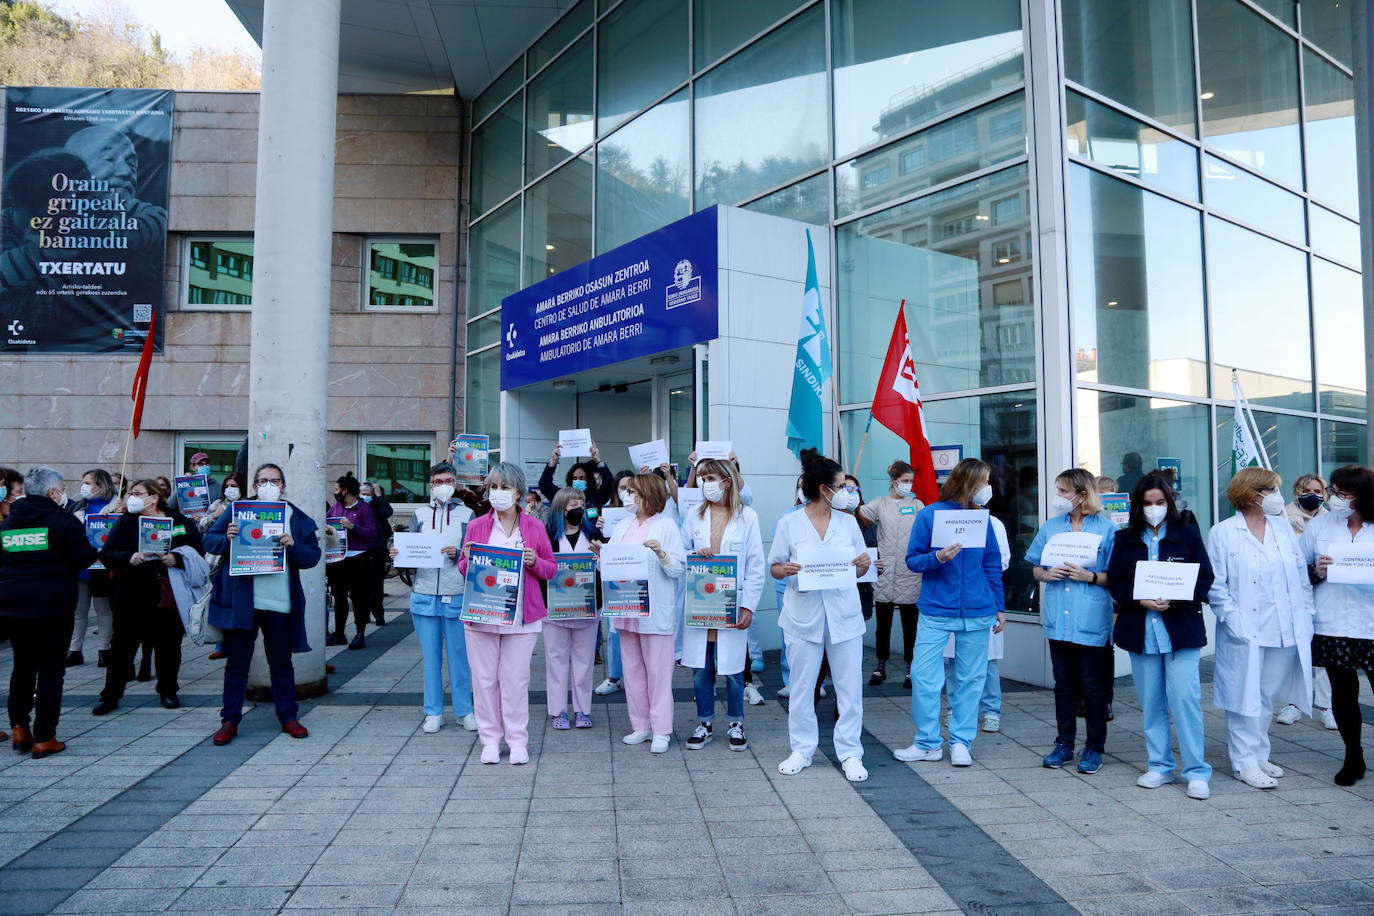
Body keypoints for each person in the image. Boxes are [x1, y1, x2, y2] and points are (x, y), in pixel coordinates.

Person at [1107, 472, 1215, 800]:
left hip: (1180, 629)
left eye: (1160, 502)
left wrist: (1178, 595)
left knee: (1185, 700)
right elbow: (1116, 581)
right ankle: (1160, 765)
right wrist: (1138, 598)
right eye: (1148, 503)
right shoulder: (1124, 538)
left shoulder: (1188, 533)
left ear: (1169, 502)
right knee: (1152, 703)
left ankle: (1196, 771)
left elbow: (1205, 577)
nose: (1154, 508)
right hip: (1142, 631)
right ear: (1138, 506)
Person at [1207, 467, 1313, 789]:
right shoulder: (1223, 532)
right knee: (1244, 696)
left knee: (1266, 695)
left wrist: (1307, 613)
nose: (1277, 496)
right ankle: (1243, 762)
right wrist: (1234, 620)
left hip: (1284, 626)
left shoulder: (1282, 527)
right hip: (1244, 628)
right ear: (1252, 494)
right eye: (1271, 490)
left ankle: (1259, 753)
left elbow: (1300, 575)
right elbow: (1216, 585)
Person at [769, 449, 871, 782]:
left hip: (844, 616)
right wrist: (785, 569)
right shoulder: (790, 523)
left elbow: (860, 568)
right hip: (803, 616)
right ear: (824, 489)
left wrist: (864, 565)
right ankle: (802, 749)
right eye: (841, 487)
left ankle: (851, 753)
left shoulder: (848, 523)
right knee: (801, 687)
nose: (847, 493)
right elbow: (774, 567)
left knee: (849, 689)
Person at [897, 458, 1003, 768]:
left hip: (978, 611)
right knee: (923, 677)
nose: (987, 488)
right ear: (969, 482)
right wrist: (938, 557)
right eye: (984, 482)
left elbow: (992, 564)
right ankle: (927, 742)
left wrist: (998, 606)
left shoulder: (981, 518)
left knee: (971, 680)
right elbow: (913, 560)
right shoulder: (929, 515)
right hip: (936, 610)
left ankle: (961, 742)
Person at [203, 463, 317, 745]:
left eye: (274, 481)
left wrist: (293, 545)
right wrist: (227, 538)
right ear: (254, 486)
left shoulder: (294, 515)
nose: (269, 486)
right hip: (243, 603)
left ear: (283, 486)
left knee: (281, 663)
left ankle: (288, 717)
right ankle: (229, 720)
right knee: (237, 664)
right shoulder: (237, 510)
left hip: (279, 602)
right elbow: (209, 539)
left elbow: (312, 557)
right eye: (263, 481)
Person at [457, 462, 556, 764]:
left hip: (521, 618)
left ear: (519, 492)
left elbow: (550, 569)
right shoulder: (476, 526)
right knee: (484, 680)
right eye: (493, 487)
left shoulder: (534, 527)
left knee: (515, 682)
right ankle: (489, 739)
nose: (498, 492)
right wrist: (468, 559)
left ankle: (517, 740)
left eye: (505, 487)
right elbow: (463, 568)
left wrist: (534, 561)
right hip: (482, 614)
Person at [0, 467, 99, 757]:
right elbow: (85, 557)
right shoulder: (63, 521)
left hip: (13, 605)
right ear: (52, 492)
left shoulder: (8, 523)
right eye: (63, 488)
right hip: (53, 606)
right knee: (50, 672)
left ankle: (19, 728)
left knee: (22, 666)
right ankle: (44, 737)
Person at [1028, 469, 1117, 774]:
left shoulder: (1107, 530)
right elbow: (1036, 566)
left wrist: (1090, 576)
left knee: (1093, 688)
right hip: (1059, 619)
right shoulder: (1051, 527)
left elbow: (1117, 577)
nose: (1059, 497)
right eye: (1058, 490)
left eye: (1064, 491)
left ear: (1081, 494)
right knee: (1064, 685)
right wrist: (1045, 574)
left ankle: (1094, 747)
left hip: (1091, 619)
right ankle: (1064, 743)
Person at [93, 478, 204, 714]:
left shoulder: (178, 520)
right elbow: (107, 553)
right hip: (131, 595)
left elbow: (198, 550)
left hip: (167, 594)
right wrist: (128, 557)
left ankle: (168, 690)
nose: (132, 498)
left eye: (137, 493)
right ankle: (110, 696)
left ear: (153, 498)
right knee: (122, 648)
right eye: (131, 493)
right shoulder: (126, 521)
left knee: (169, 647)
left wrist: (177, 558)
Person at [593, 473, 685, 754]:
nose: (627, 497)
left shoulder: (666, 526)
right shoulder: (623, 525)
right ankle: (641, 725)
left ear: (648, 495)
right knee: (632, 672)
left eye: (633, 492)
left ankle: (661, 729)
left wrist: (662, 554)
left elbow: (678, 568)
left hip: (655, 612)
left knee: (658, 674)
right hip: (626, 609)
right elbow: (613, 567)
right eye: (627, 492)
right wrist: (600, 556)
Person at [681, 459, 764, 752]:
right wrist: (694, 554)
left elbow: (756, 565)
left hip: (731, 602)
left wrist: (748, 606)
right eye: (703, 479)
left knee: (733, 670)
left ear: (727, 482)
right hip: (702, 602)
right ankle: (704, 723)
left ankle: (735, 723)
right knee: (701, 669)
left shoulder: (747, 517)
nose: (706, 484)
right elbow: (680, 555)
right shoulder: (694, 515)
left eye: (711, 478)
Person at [391, 462, 476, 734]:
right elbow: (411, 552)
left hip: (456, 591)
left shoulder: (468, 514)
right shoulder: (420, 514)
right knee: (430, 658)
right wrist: (398, 555)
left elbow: (473, 552)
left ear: (455, 484)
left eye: (448, 481)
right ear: (431, 485)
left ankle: (464, 710)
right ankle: (433, 711)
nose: (443, 486)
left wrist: (458, 553)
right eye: (439, 481)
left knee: (459, 657)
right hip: (425, 592)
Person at [1302, 465, 1374, 786]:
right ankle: (1353, 756)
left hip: (1371, 622)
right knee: (1343, 696)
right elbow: (1298, 568)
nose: (1336, 497)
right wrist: (1316, 571)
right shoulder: (1321, 524)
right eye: (1334, 490)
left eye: (1343, 492)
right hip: (1332, 623)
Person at [543, 486, 605, 730]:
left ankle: (582, 710)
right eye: (573, 504)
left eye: (581, 504)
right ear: (561, 508)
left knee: (584, 661)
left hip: (587, 606)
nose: (579, 508)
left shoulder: (594, 534)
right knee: (555, 660)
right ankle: (558, 711)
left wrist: (600, 557)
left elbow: (605, 568)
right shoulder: (548, 536)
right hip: (555, 607)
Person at [1277, 473, 1336, 729]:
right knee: (1297, 650)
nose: (1313, 495)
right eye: (1307, 490)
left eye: (1318, 491)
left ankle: (1327, 706)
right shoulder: (1282, 518)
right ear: (1297, 492)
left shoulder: (1331, 521)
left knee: (1324, 651)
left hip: (1324, 592)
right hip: (1294, 594)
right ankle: (1295, 703)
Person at [861, 461, 923, 689]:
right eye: (905, 480)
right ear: (894, 481)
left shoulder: (917, 505)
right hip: (885, 572)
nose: (908, 485)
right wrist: (850, 495)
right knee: (883, 626)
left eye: (911, 481)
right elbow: (857, 515)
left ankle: (910, 669)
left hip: (910, 573)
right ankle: (880, 667)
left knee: (910, 626)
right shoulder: (880, 504)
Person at [593, 469, 638, 697]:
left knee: (635, 629)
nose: (626, 493)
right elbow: (598, 544)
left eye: (631, 489)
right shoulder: (607, 512)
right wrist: (598, 528)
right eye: (622, 488)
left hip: (636, 576)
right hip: (613, 576)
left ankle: (634, 676)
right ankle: (614, 676)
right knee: (613, 629)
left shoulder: (644, 514)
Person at [67, 468, 117, 667]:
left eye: (88, 483)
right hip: (81, 567)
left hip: (103, 567)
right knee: (79, 611)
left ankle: (104, 650)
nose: (84, 487)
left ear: (100, 486)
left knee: (103, 610)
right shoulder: (78, 507)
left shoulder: (116, 506)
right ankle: (74, 651)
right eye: (83, 482)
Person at [326, 473, 377, 649]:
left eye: (336, 489)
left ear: (345, 491)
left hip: (358, 558)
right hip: (338, 558)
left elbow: (371, 532)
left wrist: (352, 527)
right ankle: (339, 633)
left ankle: (360, 633)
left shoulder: (364, 509)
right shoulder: (336, 507)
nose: (334, 493)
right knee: (339, 596)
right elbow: (328, 521)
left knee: (358, 597)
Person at [539, 441, 614, 507]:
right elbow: (544, 485)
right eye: (574, 478)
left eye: (581, 478)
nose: (577, 481)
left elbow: (610, 484)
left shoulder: (596, 497)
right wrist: (554, 460)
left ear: (589, 480)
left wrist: (597, 460)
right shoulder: (563, 497)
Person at [360, 481, 393, 627]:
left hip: (377, 549)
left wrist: (379, 496)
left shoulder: (377, 506)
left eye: (368, 494)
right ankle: (364, 615)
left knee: (376, 584)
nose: (365, 497)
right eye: (363, 494)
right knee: (362, 584)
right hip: (362, 549)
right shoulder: (358, 507)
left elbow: (387, 512)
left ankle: (378, 614)